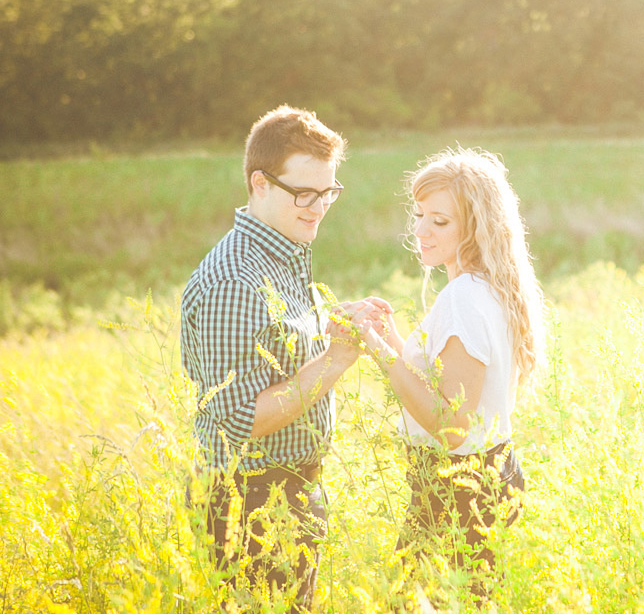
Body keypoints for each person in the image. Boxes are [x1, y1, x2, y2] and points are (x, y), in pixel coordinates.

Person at [330, 147, 545, 604]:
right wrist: (389, 337)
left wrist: (373, 346)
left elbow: (451, 426)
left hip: (455, 491)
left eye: (440, 221)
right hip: (484, 477)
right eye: (420, 214)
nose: (421, 230)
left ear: (477, 227)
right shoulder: (485, 288)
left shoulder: (464, 297)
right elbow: (449, 384)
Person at [180, 105, 353, 611]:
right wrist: (338, 359)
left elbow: (278, 354)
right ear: (260, 183)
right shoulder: (236, 279)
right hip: (248, 498)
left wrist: (334, 327)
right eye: (304, 193)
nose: (318, 206)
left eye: (328, 192)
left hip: (285, 492)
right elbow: (239, 417)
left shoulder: (283, 251)